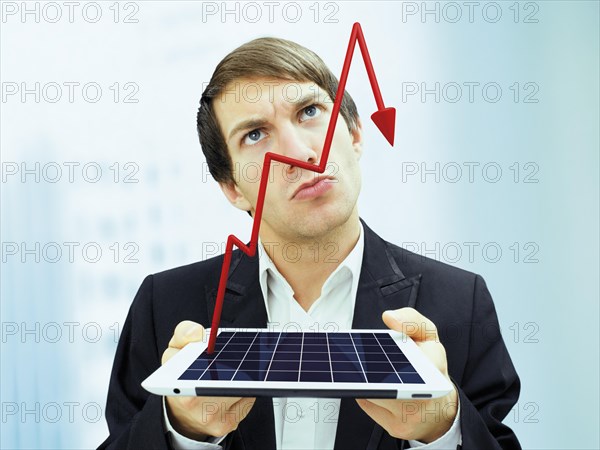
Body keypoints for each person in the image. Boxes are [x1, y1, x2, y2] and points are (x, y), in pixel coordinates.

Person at [98, 36, 521, 450]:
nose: (300, 153)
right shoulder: (165, 304)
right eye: (255, 135)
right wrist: (184, 430)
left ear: (355, 134)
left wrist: (441, 429)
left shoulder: (459, 301)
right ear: (232, 188)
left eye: (310, 111)